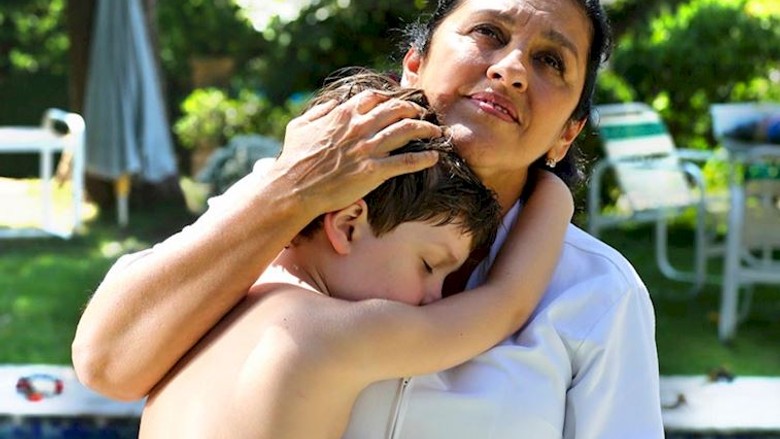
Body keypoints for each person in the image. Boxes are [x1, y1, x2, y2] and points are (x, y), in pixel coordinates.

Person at [73, 0, 664, 437]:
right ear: (413, 66)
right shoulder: (284, 202)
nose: (510, 69)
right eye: (488, 31)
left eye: (550, 60)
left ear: (567, 136)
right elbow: (107, 363)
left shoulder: (598, 295)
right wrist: (287, 190)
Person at [138, 72, 574, 438]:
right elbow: (506, 303)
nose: (435, 296)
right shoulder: (335, 332)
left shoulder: (215, 303)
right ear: (348, 224)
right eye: (428, 265)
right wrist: (555, 191)